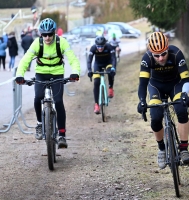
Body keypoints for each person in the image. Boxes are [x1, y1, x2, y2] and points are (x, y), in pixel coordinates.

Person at [15, 18, 81, 149]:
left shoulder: (61, 42)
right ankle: (40, 124)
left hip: (57, 73)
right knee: (37, 97)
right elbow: (25, 60)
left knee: (58, 101)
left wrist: (75, 72)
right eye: (44, 34)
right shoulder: (36, 43)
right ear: (40, 34)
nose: (47, 37)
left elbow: (73, 58)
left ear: (54, 33)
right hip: (41, 73)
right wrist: (19, 75)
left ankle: (62, 135)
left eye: (49, 34)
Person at [137, 32, 189, 169]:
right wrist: (142, 101)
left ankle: (184, 149)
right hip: (156, 86)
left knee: (181, 110)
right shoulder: (146, 59)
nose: (161, 58)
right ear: (151, 52)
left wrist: (185, 94)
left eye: (163, 53)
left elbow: (185, 79)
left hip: (175, 85)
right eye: (157, 55)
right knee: (155, 118)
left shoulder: (176, 54)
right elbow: (143, 84)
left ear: (168, 48)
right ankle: (162, 148)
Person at [86, 35, 116, 114]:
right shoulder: (93, 48)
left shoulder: (109, 47)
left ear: (105, 44)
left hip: (108, 63)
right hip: (98, 65)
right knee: (96, 82)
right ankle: (96, 104)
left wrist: (113, 68)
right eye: (98, 46)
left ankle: (110, 88)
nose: (100, 48)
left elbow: (113, 58)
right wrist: (89, 70)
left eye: (102, 46)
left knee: (110, 72)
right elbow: (89, 60)